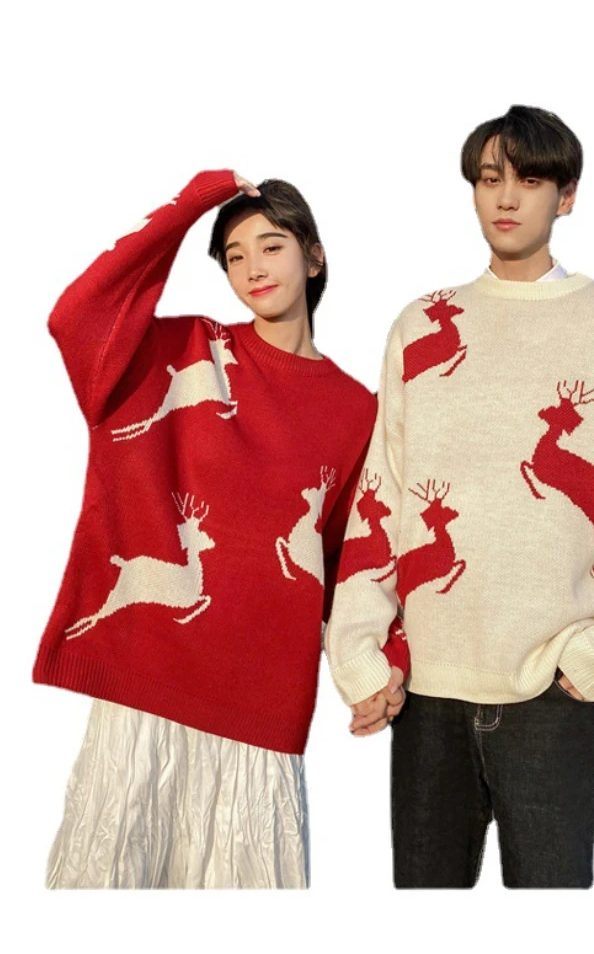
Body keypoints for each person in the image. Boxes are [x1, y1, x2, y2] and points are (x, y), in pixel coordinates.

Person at [324, 105, 594, 888]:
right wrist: (358, 655)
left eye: (530, 181)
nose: (506, 198)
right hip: (425, 693)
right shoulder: (420, 324)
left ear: (567, 196)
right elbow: (380, 496)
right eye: (490, 179)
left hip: (549, 693)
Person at [33, 167, 408, 888]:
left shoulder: (358, 411)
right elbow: (75, 316)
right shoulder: (183, 350)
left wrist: (384, 658)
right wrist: (192, 202)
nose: (253, 268)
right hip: (146, 693)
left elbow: (353, 562)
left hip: (260, 712)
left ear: (314, 256)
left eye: (271, 246)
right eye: (234, 256)